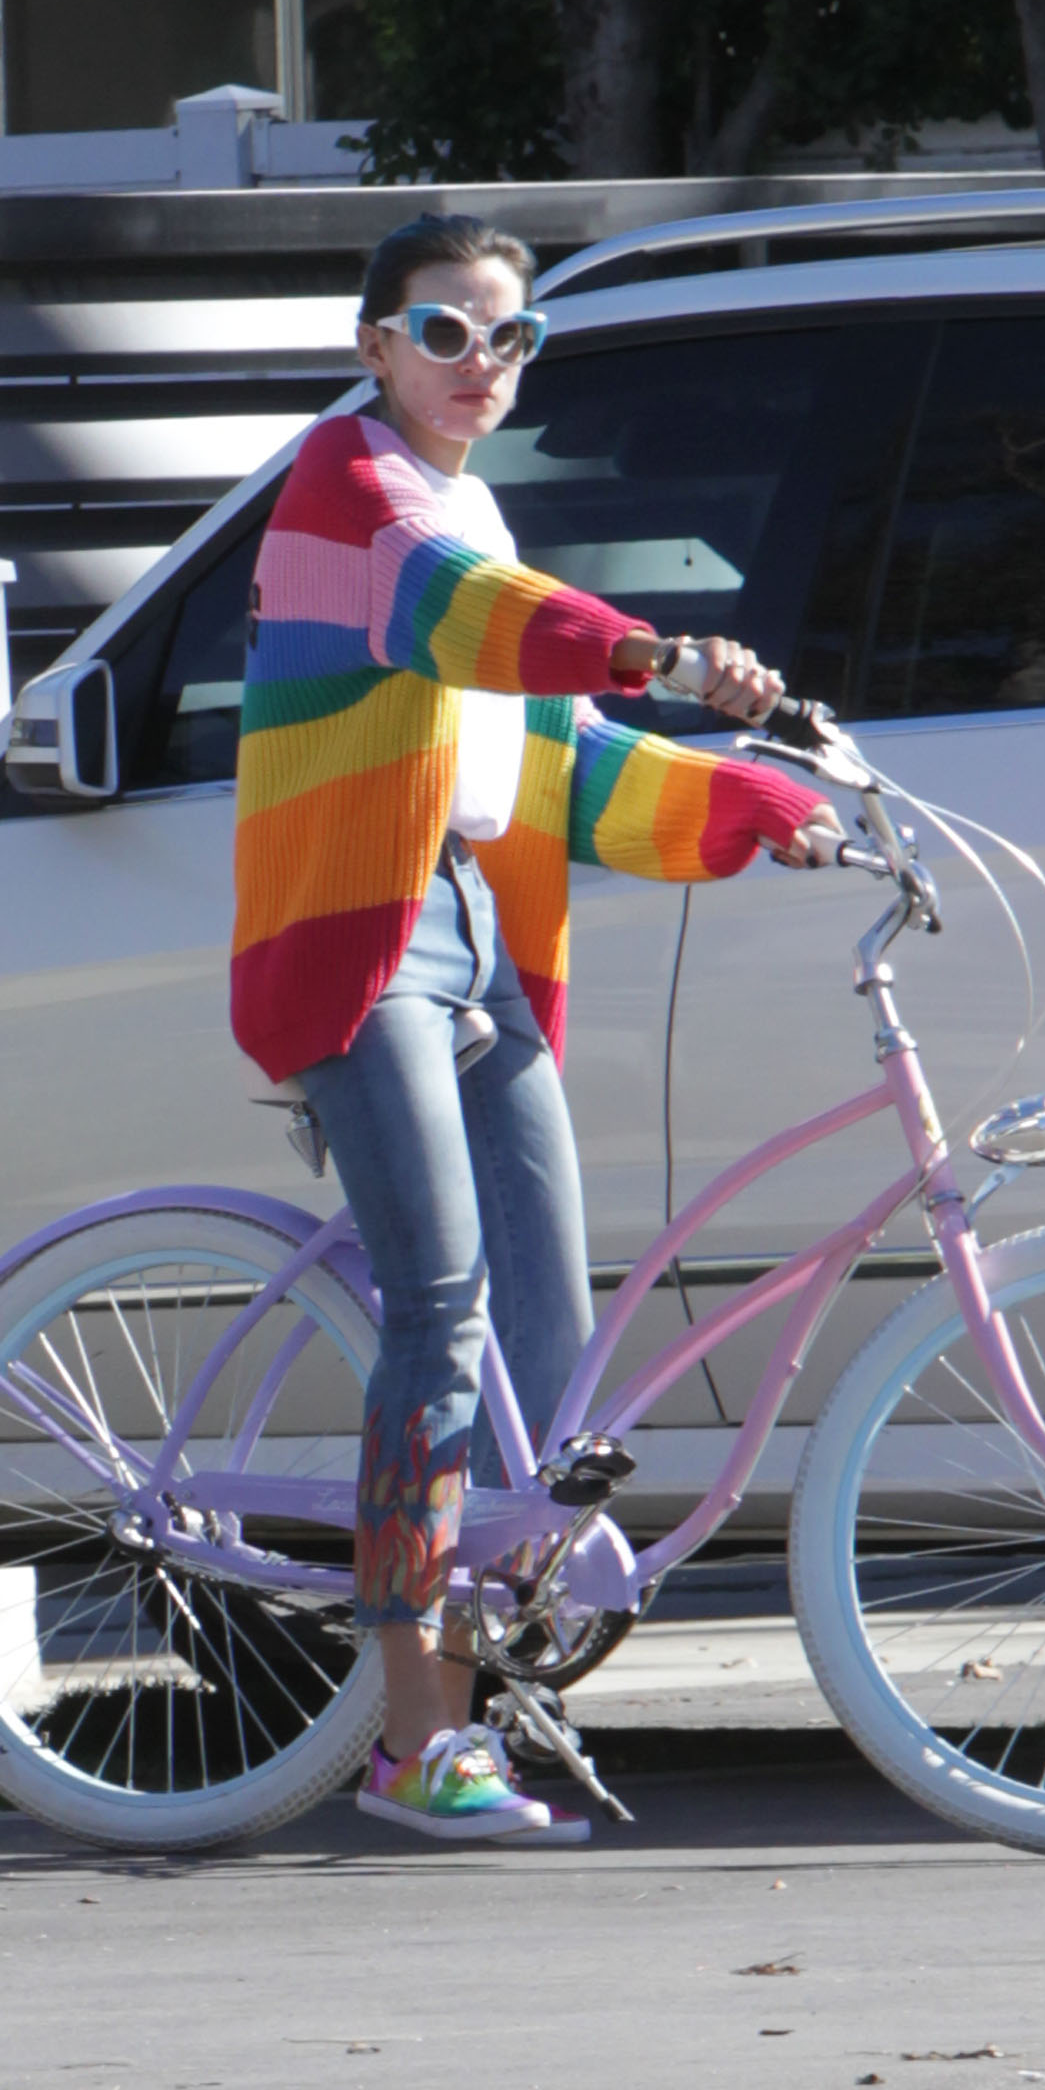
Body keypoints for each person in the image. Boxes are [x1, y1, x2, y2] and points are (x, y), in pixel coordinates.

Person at [232, 213, 841, 1846]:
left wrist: (753, 800)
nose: (480, 362)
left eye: (510, 338)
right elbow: (469, 617)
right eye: (444, 330)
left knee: (547, 1333)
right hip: (362, 934)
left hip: (478, 928)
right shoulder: (350, 488)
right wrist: (659, 650)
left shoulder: (474, 506)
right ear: (374, 346)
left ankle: (483, 1697)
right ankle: (411, 1737)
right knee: (439, 1315)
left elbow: (557, 756)